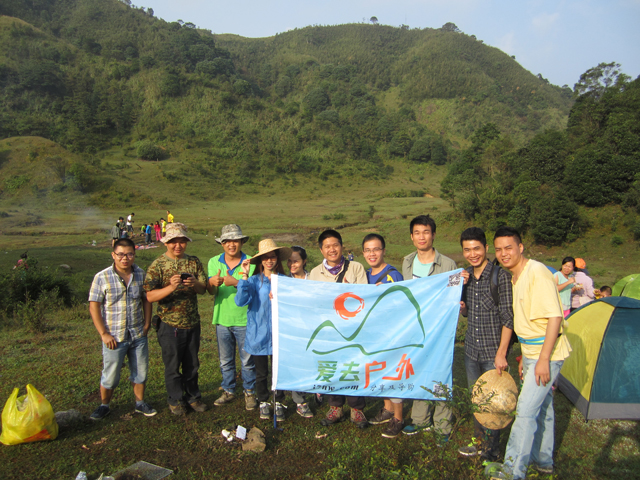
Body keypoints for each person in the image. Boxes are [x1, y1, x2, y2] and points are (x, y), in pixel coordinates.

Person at [493, 226, 571, 479]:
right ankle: (544, 460)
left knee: (525, 412)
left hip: (545, 353)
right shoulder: (515, 277)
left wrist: (543, 360)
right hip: (531, 352)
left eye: (509, 247)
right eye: (499, 249)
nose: (504, 254)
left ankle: (512, 471)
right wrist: (525, 358)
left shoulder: (536, 271)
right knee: (544, 406)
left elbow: (554, 317)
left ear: (520, 247)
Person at [457, 227, 514, 461]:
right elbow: (470, 314)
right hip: (471, 350)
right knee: (477, 399)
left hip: (493, 353)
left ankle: (492, 450)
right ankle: (478, 442)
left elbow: (509, 317)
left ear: (486, 248)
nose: (472, 254)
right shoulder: (466, 278)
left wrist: (501, 354)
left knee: (494, 403)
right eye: (467, 250)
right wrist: (463, 308)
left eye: (476, 249)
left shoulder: (500, 276)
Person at [401, 215, 457, 439]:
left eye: (426, 232)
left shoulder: (448, 264)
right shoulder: (406, 261)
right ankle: (420, 419)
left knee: (441, 372)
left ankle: (442, 424)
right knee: (418, 369)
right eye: (417, 232)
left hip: (440, 327)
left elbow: (452, 294)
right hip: (415, 327)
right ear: (412, 237)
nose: (421, 237)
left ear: (433, 235)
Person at [144, 223, 208, 415]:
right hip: (169, 325)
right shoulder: (158, 265)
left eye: (181, 242)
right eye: (173, 242)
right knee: (172, 365)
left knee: (192, 364)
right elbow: (149, 296)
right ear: (166, 243)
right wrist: (171, 287)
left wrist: (194, 283)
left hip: (192, 323)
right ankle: (175, 400)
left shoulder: (194, 262)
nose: (177, 246)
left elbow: (203, 289)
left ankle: (193, 397)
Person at [88, 238, 155, 420]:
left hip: (137, 332)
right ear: (113, 255)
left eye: (129, 254)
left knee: (140, 371)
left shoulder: (141, 274)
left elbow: (146, 299)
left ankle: (140, 403)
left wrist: (147, 323)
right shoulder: (102, 277)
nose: (125, 258)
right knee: (110, 373)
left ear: (134, 254)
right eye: (121, 254)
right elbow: (94, 306)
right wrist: (103, 333)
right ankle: (104, 405)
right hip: (114, 336)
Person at [309, 229, 369, 428]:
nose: (332, 249)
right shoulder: (316, 273)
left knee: (353, 365)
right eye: (327, 246)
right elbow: (312, 302)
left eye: (335, 245)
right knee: (332, 366)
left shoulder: (356, 268)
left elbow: (364, 297)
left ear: (342, 246)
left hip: (352, 329)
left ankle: (357, 408)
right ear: (321, 250)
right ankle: (335, 406)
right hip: (328, 330)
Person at [235, 239, 292, 421]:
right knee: (261, 373)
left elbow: (291, 305)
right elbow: (240, 301)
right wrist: (243, 277)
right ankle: (263, 401)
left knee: (278, 371)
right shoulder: (252, 281)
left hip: (278, 335)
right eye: (265, 258)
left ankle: (279, 401)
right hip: (258, 334)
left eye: (272, 257)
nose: (269, 261)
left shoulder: (284, 281)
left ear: (277, 259)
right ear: (260, 261)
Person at [208, 225, 257, 410]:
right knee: (225, 360)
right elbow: (210, 290)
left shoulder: (251, 262)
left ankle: (249, 392)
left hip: (245, 319)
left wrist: (235, 282)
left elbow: (253, 290)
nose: (231, 245)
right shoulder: (214, 262)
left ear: (241, 242)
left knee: (247, 360)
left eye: (235, 241)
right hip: (222, 318)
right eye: (227, 241)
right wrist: (211, 283)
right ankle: (228, 389)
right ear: (222, 243)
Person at [361, 233, 405, 438]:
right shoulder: (364, 275)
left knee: (393, 373)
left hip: (391, 334)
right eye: (368, 250)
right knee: (379, 371)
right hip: (372, 334)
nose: (372, 253)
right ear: (363, 253)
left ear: (384, 251)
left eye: (376, 249)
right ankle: (387, 408)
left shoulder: (393, 275)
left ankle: (399, 417)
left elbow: (402, 303)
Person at [286, 245, 314, 417]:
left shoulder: (314, 278)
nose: (292, 264)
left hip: (313, 329)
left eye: (295, 261)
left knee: (313, 363)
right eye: (289, 261)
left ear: (304, 261)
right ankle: (300, 401)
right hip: (292, 331)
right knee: (295, 365)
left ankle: (318, 390)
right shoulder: (282, 281)